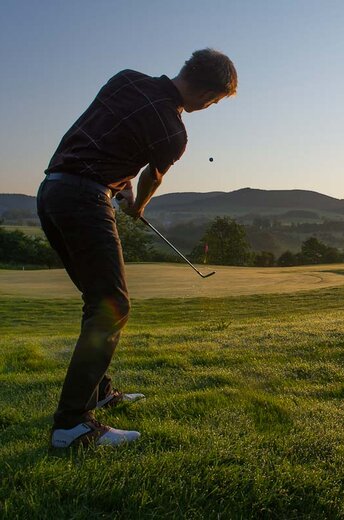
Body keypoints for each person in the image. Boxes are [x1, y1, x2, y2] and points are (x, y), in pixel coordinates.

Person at [37, 49, 238, 448]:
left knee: (98, 301)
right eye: (214, 102)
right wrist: (139, 205)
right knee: (113, 305)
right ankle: (72, 425)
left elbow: (110, 137)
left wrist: (120, 184)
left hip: (53, 191)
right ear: (208, 94)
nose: (208, 107)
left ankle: (98, 392)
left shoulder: (126, 78)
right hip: (85, 200)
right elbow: (153, 177)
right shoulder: (173, 132)